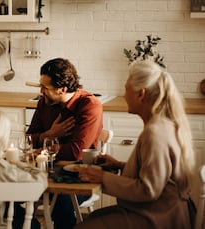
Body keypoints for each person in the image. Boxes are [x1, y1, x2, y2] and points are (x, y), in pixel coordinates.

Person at [76, 60, 196, 229]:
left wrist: (102, 177)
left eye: (126, 89)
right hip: (160, 210)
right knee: (91, 218)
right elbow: (158, 174)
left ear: (141, 94)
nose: (124, 95)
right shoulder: (161, 124)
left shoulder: (155, 132)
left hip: (160, 217)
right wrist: (119, 165)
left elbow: (149, 190)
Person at [26, 58, 103, 229]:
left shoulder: (89, 106)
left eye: (45, 88)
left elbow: (76, 152)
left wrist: (43, 147)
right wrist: (50, 134)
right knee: (10, 191)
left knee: (61, 202)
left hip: (79, 175)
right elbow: (28, 139)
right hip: (44, 173)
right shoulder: (45, 102)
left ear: (62, 89)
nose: (41, 91)